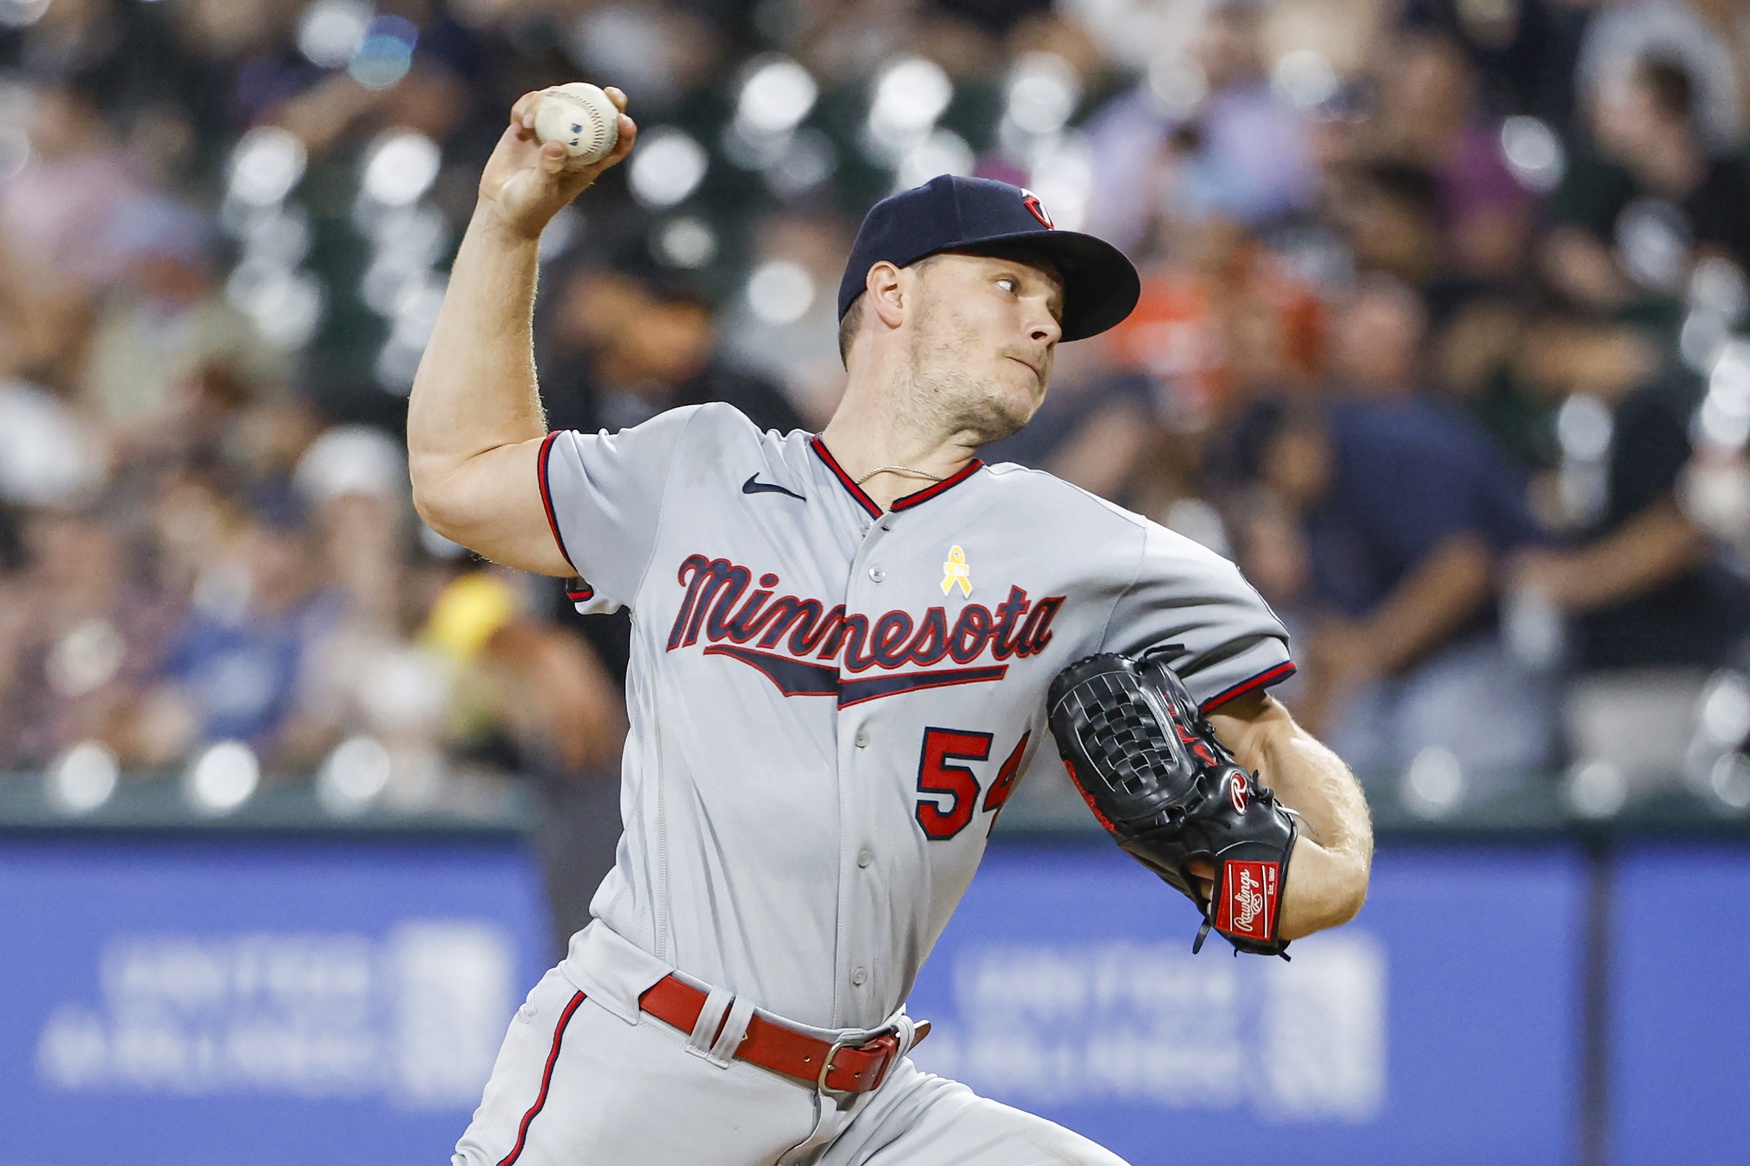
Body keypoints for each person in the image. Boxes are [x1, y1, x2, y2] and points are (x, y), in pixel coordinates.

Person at [408, 87, 1372, 1166]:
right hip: (645, 1063)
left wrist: (1328, 871)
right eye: (1009, 285)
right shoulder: (700, 468)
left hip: (868, 1104)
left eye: (1052, 305)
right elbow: (460, 475)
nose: (1044, 321)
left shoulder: (1091, 552)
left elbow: (1269, 735)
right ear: (892, 293)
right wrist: (508, 222)